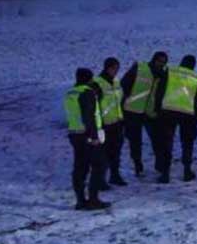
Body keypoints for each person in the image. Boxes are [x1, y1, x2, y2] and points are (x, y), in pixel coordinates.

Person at [64, 68, 111, 211]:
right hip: (87, 135)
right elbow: (88, 116)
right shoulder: (87, 93)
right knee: (99, 166)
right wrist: (94, 136)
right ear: (90, 79)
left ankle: (80, 200)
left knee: (80, 167)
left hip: (74, 134)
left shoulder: (70, 93)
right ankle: (93, 199)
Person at [153, 54, 197, 183]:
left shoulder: (170, 72)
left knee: (167, 143)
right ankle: (187, 171)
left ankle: (165, 174)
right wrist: (196, 120)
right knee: (187, 143)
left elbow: (160, 91)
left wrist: (158, 108)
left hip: (168, 111)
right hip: (188, 114)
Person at [120, 51, 168, 177]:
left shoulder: (162, 75)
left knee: (157, 140)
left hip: (149, 112)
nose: (161, 64)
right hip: (132, 110)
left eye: (163, 62)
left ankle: (159, 165)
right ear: (154, 60)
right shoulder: (140, 68)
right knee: (135, 141)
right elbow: (124, 84)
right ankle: (138, 166)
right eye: (160, 61)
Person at [94, 57, 127, 187]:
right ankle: (100, 179)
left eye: (117, 69)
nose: (116, 71)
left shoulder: (116, 81)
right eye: (114, 68)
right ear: (107, 68)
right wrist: (98, 124)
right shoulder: (97, 83)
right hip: (104, 124)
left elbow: (119, 100)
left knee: (116, 152)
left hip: (117, 122)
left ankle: (115, 175)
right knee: (103, 153)